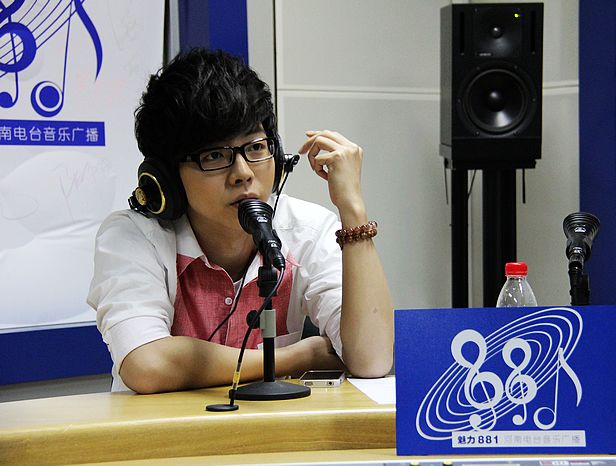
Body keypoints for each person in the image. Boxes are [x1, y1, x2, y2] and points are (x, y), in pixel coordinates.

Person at [87, 48, 394, 393]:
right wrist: (298, 357)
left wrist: (352, 209)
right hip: (163, 429)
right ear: (168, 177)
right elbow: (147, 365)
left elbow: (372, 359)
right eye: (214, 156)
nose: (243, 173)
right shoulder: (133, 236)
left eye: (256, 148)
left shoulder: (306, 229)